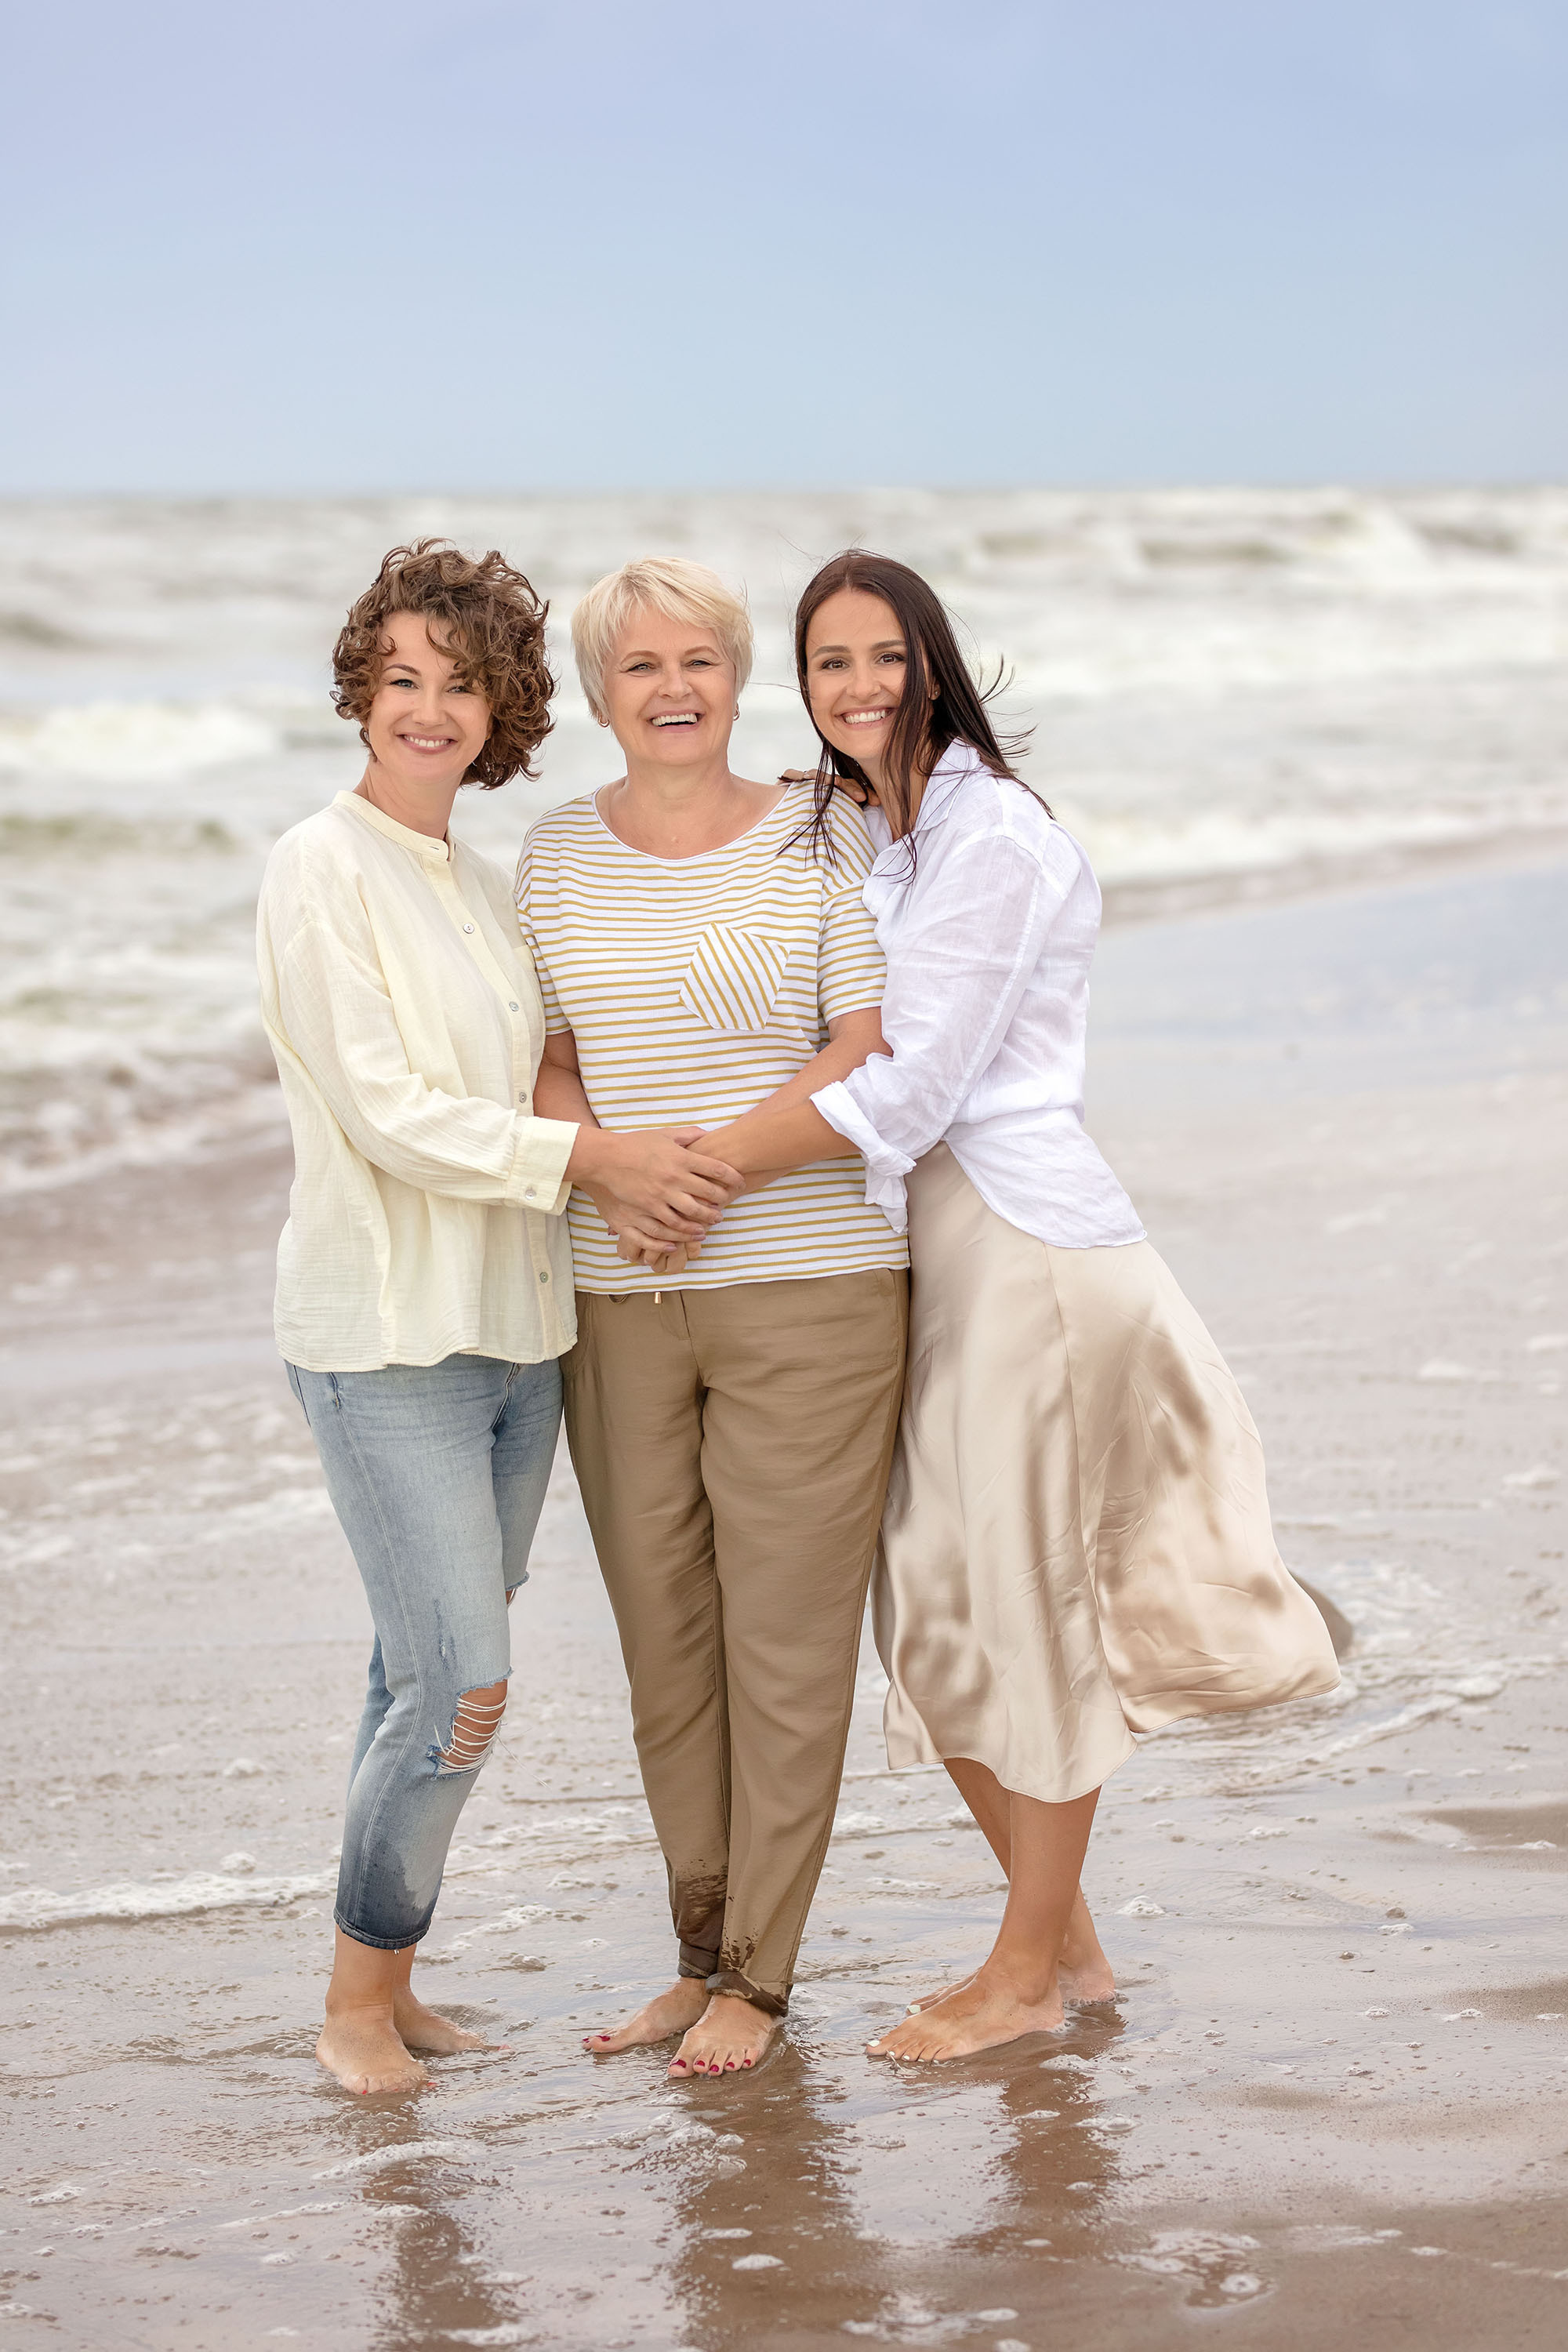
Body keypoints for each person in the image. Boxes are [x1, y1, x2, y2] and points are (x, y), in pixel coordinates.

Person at [682, 549, 1341, 2063]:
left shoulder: (990, 836)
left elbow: (914, 1083)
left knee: (1022, 1608)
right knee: (929, 1613)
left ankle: (1027, 1973)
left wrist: (698, 1169)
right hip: (940, 1257)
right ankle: (1075, 1950)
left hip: (1027, 1253)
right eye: (827, 662)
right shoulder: (883, 825)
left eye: (882, 657)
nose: (856, 686)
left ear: (934, 661)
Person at [257, 541, 740, 2096]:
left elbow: (547, 1063)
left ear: (504, 708)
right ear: (360, 690)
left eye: (460, 686)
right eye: (400, 679)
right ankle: (350, 2008)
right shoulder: (316, 868)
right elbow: (390, 1113)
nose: (427, 710)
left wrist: (644, 1165)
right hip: (386, 1337)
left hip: (523, 1340)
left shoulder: (484, 879)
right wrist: (594, 1159)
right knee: (464, 1677)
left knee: (423, 1675)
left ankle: (388, 1989)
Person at [517, 557, 909, 2077]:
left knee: (787, 1648)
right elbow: (547, 1059)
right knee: (665, 1647)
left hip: (808, 1288)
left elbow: (864, 1048)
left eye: (697, 659)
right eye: (636, 666)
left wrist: (700, 1174)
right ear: (598, 693)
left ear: (735, 677)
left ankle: (760, 1977)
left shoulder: (827, 828)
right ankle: (694, 1958)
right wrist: (613, 1178)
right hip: (614, 1293)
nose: (670, 686)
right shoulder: (549, 855)